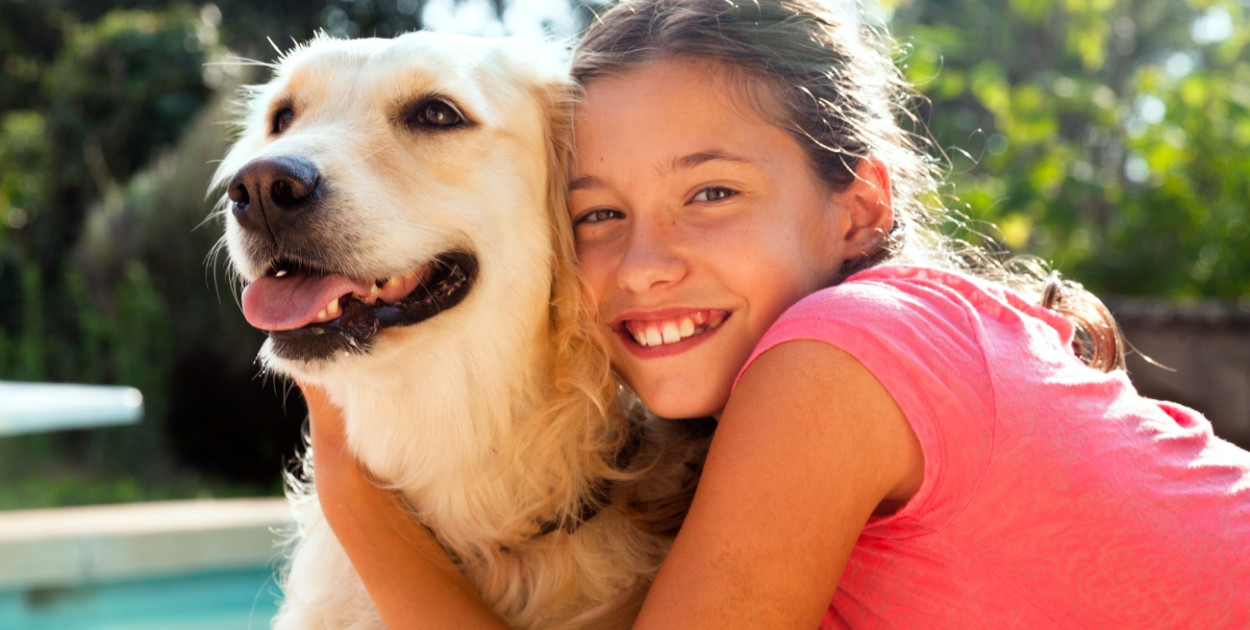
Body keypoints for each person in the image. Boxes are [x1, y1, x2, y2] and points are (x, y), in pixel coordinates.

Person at [303, 0, 1250, 627]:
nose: (647, 263)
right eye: (598, 213)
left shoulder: (841, 349)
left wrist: (351, 491)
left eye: (711, 194)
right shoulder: (823, 390)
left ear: (861, 207)